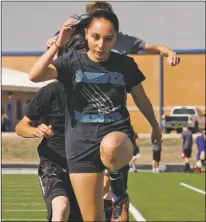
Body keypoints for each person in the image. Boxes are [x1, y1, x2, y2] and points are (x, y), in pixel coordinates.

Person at [29, 10, 162, 221]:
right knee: (92, 218)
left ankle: (119, 194)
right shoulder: (71, 62)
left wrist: (155, 126)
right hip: (81, 145)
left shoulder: (125, 65)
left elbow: (141, 98)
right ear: (86, 34)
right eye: (96, 37)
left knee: (112, 145)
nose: (101, 44)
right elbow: (35, 76)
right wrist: (57, 45)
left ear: (116, 38)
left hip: (116, 135)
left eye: (108, 39)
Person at [15, 38, 83, 222]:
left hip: (84, 165)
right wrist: (36, 130)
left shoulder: (94, 92)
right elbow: (21, 126)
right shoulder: (51, 91)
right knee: (61, 208)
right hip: (53, 163)